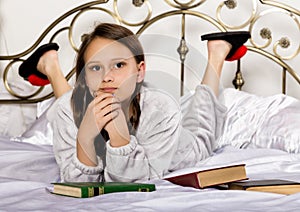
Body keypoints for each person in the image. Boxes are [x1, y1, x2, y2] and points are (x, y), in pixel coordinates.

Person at [24, 23, 248, 182]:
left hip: (176, 144)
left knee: (202, 134)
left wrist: (120, 138)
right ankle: (50, 65)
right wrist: (85, 138)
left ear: (140, 71)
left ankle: (217, 52)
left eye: (119, 65)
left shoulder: (161, 109)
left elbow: (136, 182)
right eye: (94, 67)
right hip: (98, 108)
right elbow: (78, 188)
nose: (106, 77)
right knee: (71, 105)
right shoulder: (64, 109)